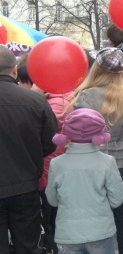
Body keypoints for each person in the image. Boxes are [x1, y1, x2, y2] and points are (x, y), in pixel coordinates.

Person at [71, 47, 123, 254]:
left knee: (98, 224)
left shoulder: (85, 96)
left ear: (97, 69)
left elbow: (77, 137)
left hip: (93, 166)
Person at [0, 45, 58, 254]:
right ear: (15, 70)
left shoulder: (35, 101)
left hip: (24, 182)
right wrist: (29, 155)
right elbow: (50, 142)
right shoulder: (35, 101)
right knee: (28, 245)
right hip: (26, 185)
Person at [45, 108, 123, 253]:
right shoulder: (107, 162)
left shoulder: (56, 164)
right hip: (101, 231)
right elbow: (117, 199)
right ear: (100, 134)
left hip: (67, 233)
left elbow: (52, 200)